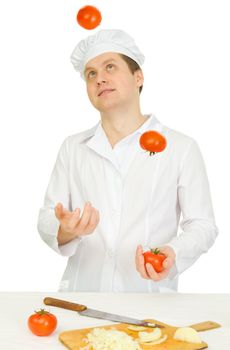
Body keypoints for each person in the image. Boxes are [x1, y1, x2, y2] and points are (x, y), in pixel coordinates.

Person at [37, 29, 218, 292]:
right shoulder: (73, 148)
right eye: (91, 74)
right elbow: (47, 216)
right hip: (83, 298)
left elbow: (202, 224)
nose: (100, 79)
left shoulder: (181, 147)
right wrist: (65, 229)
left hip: (148, 298)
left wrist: (172, 252)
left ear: (138, 77)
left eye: (110, 67)